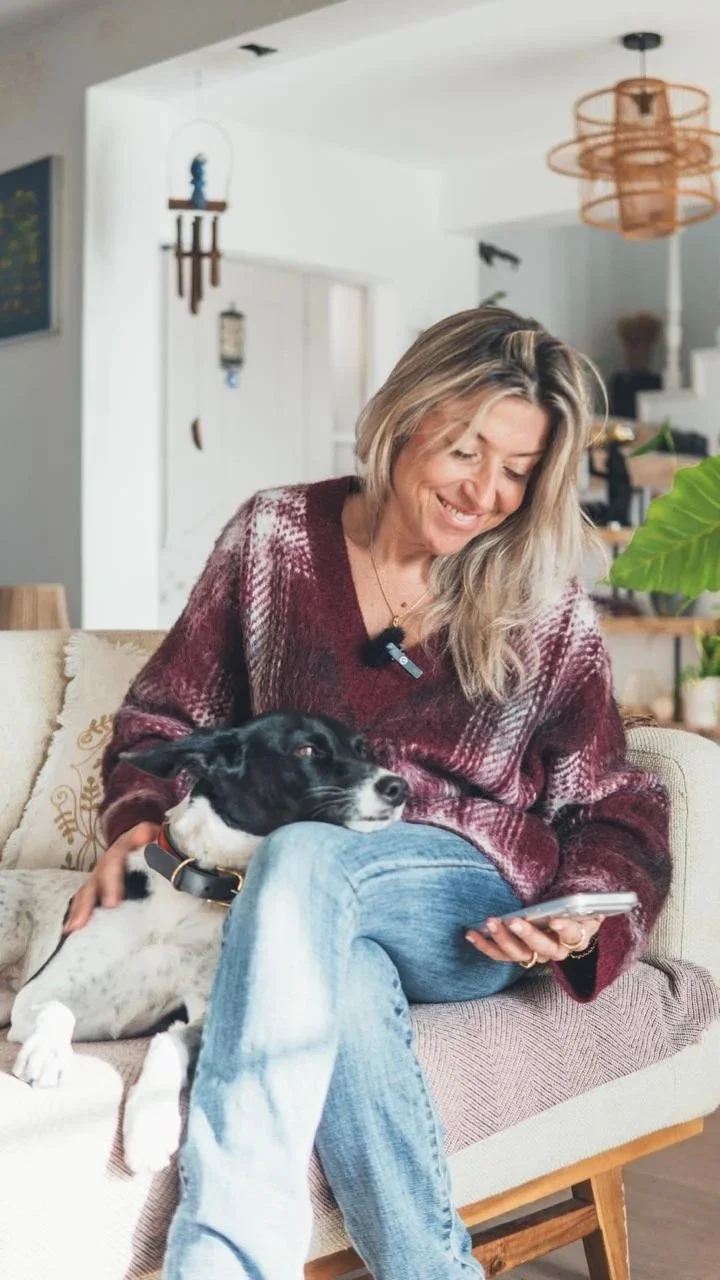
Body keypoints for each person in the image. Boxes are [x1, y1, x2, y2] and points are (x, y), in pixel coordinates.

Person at [65, 308, 671, 1280]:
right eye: (466, 449)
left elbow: (617, 801)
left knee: (308, 853)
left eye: (517, 470)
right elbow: (166, 718)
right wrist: (138, 822)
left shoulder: (539, 599)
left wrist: (581, 918)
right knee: (331, 960)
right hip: (296, 905)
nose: (485, 491)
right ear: (406, 414)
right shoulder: (274, 539)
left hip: (463, 909)